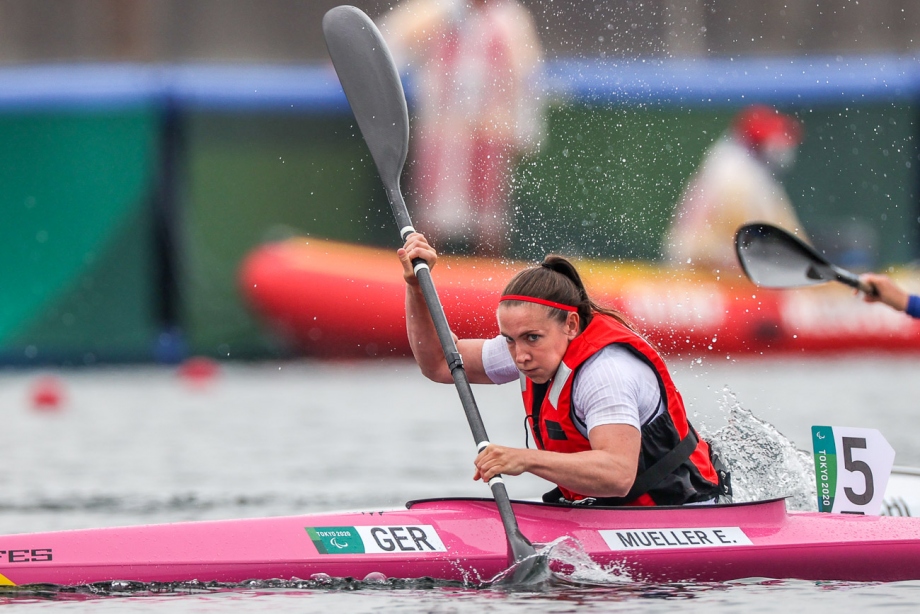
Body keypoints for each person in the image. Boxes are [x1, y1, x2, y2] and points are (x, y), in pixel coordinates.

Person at [398, 233, 730, 506]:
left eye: (531, 338)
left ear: (571, 324)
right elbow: (440, 363)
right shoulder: (533, 347)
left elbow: (617, 474)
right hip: (610, 511)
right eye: (510, 340)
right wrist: (416, 290)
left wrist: (524, 460)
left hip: (682, 510)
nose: (520, 356)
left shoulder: (605, 374)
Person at [379, 0, 544, 256]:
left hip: (490, 135)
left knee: (489, 223)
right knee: (430, 220)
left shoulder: (511, 19)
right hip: (442, 133)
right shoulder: (434, 10)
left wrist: (523, 132)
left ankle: (485, 286)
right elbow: (390, 43)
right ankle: (426, 282)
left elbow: (526, 79)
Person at [665, 104, 808, 272]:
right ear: (761, 143)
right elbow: (748, 237)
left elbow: (786, 232)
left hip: (715, 266)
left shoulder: (748, 169)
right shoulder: (735, 173)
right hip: (701, 272)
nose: (785, 147)